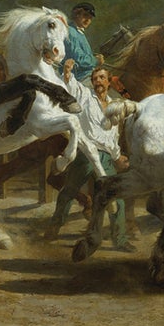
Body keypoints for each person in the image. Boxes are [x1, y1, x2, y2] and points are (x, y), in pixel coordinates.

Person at [45, 64, 129, 248]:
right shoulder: (85, 96)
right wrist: (67, 73)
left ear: (109, 81)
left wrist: (116, 156)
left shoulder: (115, 105)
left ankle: (120, 240)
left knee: (116, 198)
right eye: (95, 79)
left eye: (101, 78)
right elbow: (71, 85)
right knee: (69, 191)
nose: (98, 81)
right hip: (86, 155)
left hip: (106, 157)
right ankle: (54, 227)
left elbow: (113, 136)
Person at [64, 2, 97, 82]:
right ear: (76, 15)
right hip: (79, 78)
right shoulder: (71, 32)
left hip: (87, 75)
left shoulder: (79, 32)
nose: (88, 20)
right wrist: (96, 60)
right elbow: (79, 59)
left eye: (90, 18)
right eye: (85, 15)